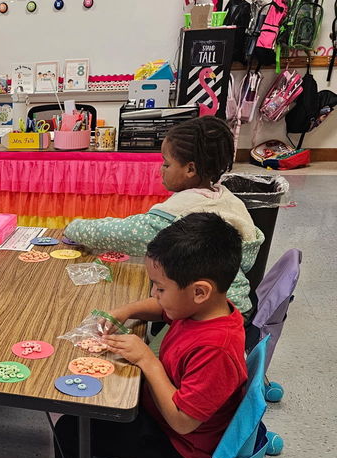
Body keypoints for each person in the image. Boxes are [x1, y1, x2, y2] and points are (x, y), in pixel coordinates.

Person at [43, 213, 248, 458]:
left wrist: (147, 360)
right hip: (163, 417)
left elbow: (182, 422)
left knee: (72, 429)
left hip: (181, 450)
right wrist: (125, 311)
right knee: (98, 403)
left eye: (160, 288)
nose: (154, 295)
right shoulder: (202, 310)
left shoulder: (216, 349)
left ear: (200, 291)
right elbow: (165, 309)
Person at [64, 116, 263, 313]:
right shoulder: (224, 199)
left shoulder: (178, 220)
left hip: (212, 318)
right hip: (234, 305)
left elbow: (119, 233)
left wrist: (73, 228)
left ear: (190, 169)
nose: (161, 170)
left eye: (166, 164)